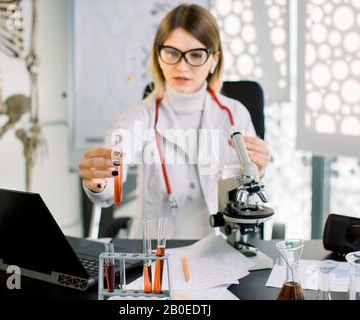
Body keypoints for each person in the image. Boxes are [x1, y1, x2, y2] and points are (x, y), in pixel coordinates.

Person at [78, 4, 270, 239]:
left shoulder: (234, 115)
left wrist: (258, 171)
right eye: (171, 53)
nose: (182, 66)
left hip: (219, 248)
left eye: (196, 55)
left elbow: (246, 196)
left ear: (214, 60)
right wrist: (99, 181)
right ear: (158, 56)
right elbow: (110, 184)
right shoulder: (139, 116)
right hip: (155, 253)